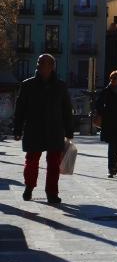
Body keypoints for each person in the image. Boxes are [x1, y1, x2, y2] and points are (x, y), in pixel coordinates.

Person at [13, 54, 74, 204]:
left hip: (55, 130)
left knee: (53, 163)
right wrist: (17, 129)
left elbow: (67, 109)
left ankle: (52, 193)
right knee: (31, 161)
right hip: (34, 129)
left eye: (43, 63)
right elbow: (20, 109)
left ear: (51, 66)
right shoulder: (27, 85)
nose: (39, 65)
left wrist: (69, 130)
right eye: (39, 62)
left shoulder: (60, 86)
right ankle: (29, 187)